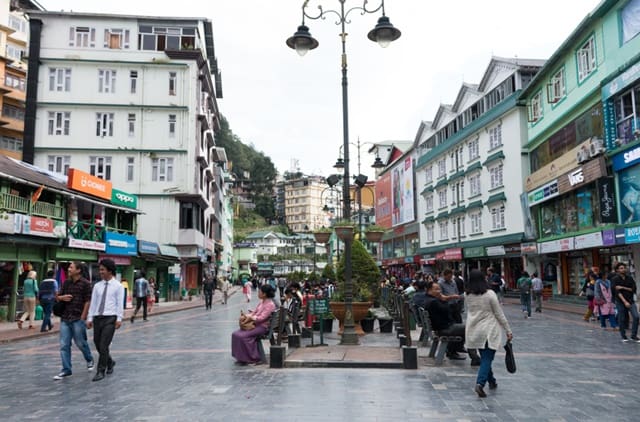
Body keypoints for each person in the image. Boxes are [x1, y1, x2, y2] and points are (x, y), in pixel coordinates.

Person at [465, 269, 513, 398]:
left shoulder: (467, 295)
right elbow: (498, 313)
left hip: (474, 330)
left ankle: (492, 381)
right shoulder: (490, 294)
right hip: (488, 330)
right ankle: (480, 384)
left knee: (485, 357)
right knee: (487, 358)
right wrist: (508, 330)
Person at [53, 262, 95, 380]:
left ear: (79, 270)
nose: (69, 269)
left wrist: (83, 317)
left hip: (78, 318)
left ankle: (89, 358)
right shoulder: (66, 282)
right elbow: (57, 296)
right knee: (64, 344)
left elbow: (88, 301)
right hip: (65, 317)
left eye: (71, 267)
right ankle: (66, 369)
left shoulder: (86, 284)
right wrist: (62, 298)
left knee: (80, 342)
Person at [86, 259, 125, 381]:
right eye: (100, 269)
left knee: (104, 345)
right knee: (97, 344)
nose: (100, 272)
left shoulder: (118, 286)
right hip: (98, 317)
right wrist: (90, 317)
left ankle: (100, 370)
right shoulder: (97, 286)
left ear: (110, 271)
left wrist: (119, 318)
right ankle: (110, 361)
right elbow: (94, 303)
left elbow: (119, 304)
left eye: (103, 269)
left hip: (110, 318)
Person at [424, 281, 480, 365]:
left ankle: (454, 349)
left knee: (464, 328)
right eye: (436, 289)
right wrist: (444, 299)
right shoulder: (434, 302)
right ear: (429, 290)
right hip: (444, 328)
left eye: (439, 289)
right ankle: (474, 357)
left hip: (442, 327)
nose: (439, 291)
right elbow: (447, 311)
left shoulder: (430, 300)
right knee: (469, 328)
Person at [231, 284, 277, 365]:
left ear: (264, 294)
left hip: (262, 327)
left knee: (242, 336)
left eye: (260, 292)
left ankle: (252, 358)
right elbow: (255, 312)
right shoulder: (262, 302)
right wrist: (248, 315)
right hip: (255, 325)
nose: (258, 293)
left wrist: (252, 318)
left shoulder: (270, 305)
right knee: (235, 334)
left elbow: (261, 318)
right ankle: (241, 357)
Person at [610, 262, 640, 342]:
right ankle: (623, 336)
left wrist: (622, 287)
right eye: (621, 268)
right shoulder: (614, 279)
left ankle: (633, 335)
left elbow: (633, 289)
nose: (623, 269)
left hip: (631, 301)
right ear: (617, 270)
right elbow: (616, 292)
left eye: (624, 268)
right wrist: (624, 301)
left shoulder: (629, 278)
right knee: (622, 318)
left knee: (636, 317)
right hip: (620, 301)